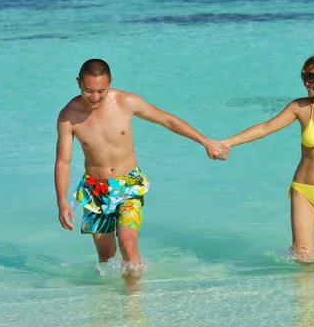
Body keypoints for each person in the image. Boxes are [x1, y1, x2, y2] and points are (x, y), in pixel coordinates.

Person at [54, 58, 229, 287]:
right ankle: (106, 307)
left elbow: (167, 120)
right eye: (88, 91)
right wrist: (62, 202)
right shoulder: (68, 116)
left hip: (129, 184)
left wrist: (204, 141)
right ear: (78, 83)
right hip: (95, 189)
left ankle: (133, 303)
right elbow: (63, 162)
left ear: (110, 83)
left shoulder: (126, 101)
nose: (95, 97)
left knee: (127, 242)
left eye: (101, 91)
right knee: (107, 259)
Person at [222, 54, 314, 263]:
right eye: (304, 76)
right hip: (304, 189)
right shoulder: (300, 108)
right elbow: (265, 127)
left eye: (311, 77)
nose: (305, 82)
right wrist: (228, 142)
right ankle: (303, 296)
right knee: (302, 257)